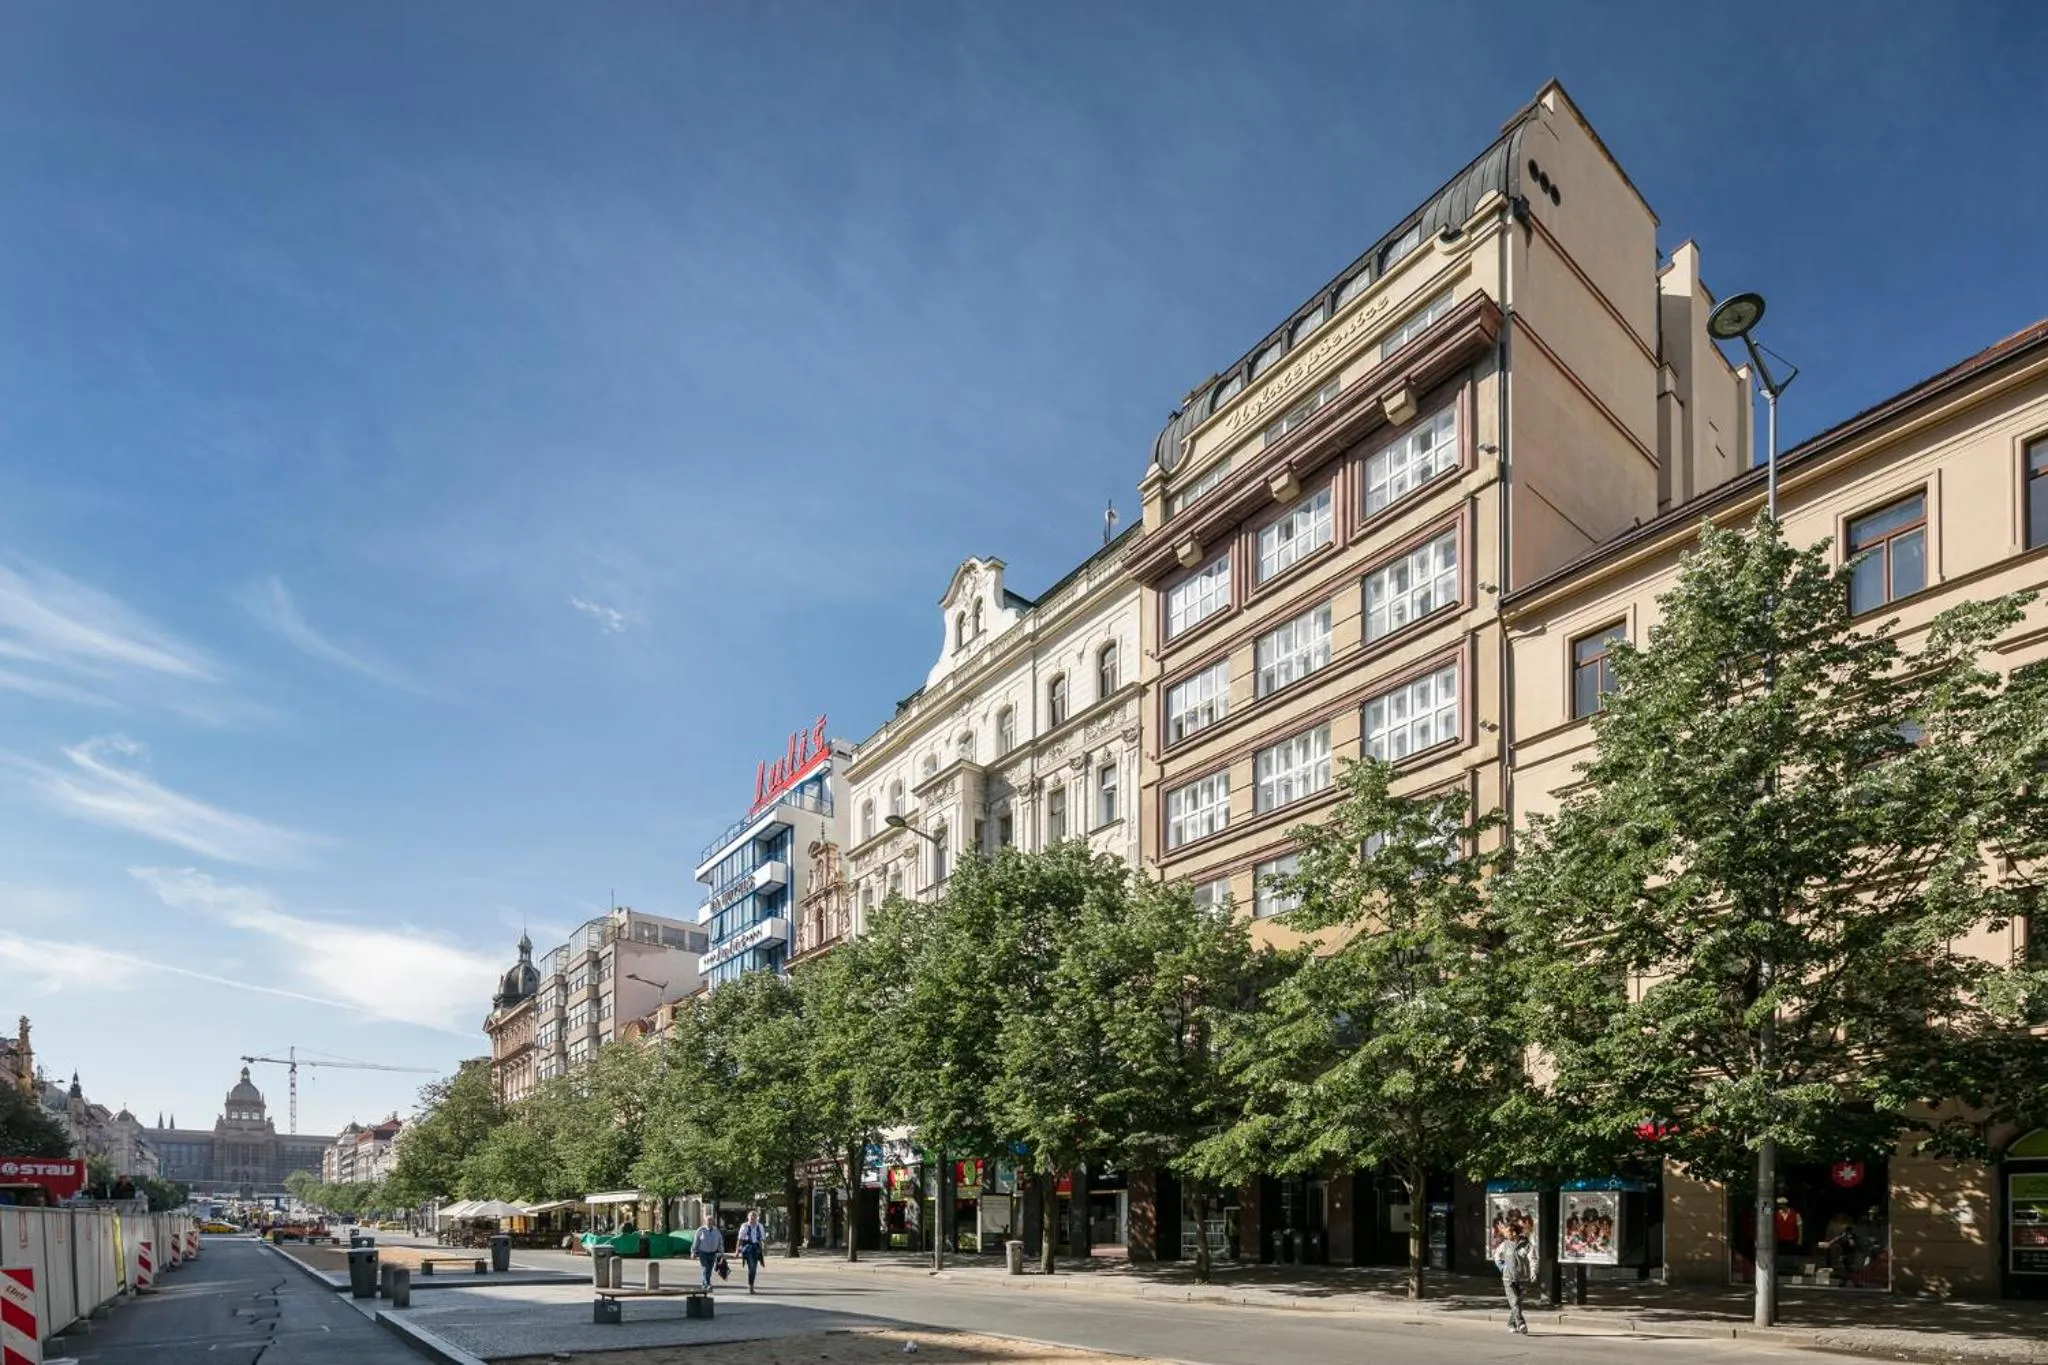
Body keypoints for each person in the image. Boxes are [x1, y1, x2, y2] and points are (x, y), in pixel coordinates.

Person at [1493, 1213, 1535, 1335]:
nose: (1505, 1234)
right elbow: (1497, 1256)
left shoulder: (1527, 1245)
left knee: (1518, 1303)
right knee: (1514, 1301)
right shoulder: (1505, 1244)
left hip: (1522, 1278)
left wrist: (1533, 1272)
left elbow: (1533, 1259)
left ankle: (1511, 1323)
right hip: (1508, 1278)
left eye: (1507, 1232)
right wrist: (1502, 1267)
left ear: (1514, 1233)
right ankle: (1521, 1323)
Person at [694, 1211, 725, 1291]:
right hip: (703, 1252)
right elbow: (696, 1241)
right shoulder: (701, 1230)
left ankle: (705, 1284)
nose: (710, 1222)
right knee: (705, 1268)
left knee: (710, 1269)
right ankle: (707, 1284)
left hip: (712, 1253)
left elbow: (720, 1242)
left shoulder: (716, 1231)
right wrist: (693, 1251)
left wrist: (722, 1253)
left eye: (711, 1221)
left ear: (713, 1222)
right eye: (708, 1221)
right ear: (705, 1222)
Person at [737, 1209, 766, 1293]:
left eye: (754, 1217)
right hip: (748, 1247)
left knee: (754, 1267)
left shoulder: (759, 1226)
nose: (753, 1219)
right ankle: (751, 1286)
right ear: (748, 1218)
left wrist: (764, 1248)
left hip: (756, 1248)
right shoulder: (745, 1226)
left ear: (756, 1218)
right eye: (751, 1217)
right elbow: (740, 1239)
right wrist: (737, 1250)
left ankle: (751, 1284)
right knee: (752, 1267)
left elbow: (762, 1238)